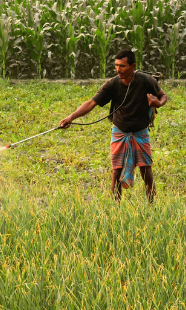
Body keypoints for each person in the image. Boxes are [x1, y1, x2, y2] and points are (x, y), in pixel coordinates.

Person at [60, 50, 168, 203]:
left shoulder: (146, 80)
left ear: (133, 66)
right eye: (116, 65)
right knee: (116, 172)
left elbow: (163, 95)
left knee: (146, 171)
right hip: (120, 131)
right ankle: (114, 210)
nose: (118, 69)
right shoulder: (112, 84)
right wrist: (70, 117)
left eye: (122, 66)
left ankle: (153, 207)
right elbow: (91, 103)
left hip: (140, 132)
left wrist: (158, 103)